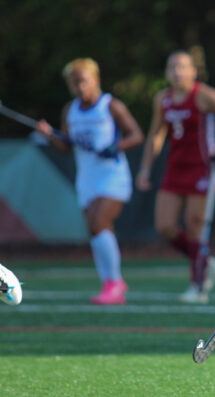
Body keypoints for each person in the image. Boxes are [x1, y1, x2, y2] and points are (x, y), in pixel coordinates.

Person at [136, 51, 215, 303]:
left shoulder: (202, 95)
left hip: (202, 168)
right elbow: (156, 134)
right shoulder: (162, 99)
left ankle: (198, 287)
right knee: (165, 226)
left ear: (193, 71)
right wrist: (145, 168)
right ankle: (206, 262)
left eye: (182, 66)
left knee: (195, 224)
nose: (177, 72)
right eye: (172, 67)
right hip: (175, 168)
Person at [36, 58, 144, 304]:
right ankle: (111, 283)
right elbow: (65, 147)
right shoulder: (70, 110)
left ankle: (114, 282)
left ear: (96, 80)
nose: (80, 87)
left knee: (98, 222)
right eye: (74, 83)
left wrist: (115, 147)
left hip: (112, 176)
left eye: (83, 81)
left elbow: (136, 135)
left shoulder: (111, 106)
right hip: (87, 179)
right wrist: (50, 135)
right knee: (96, 230)